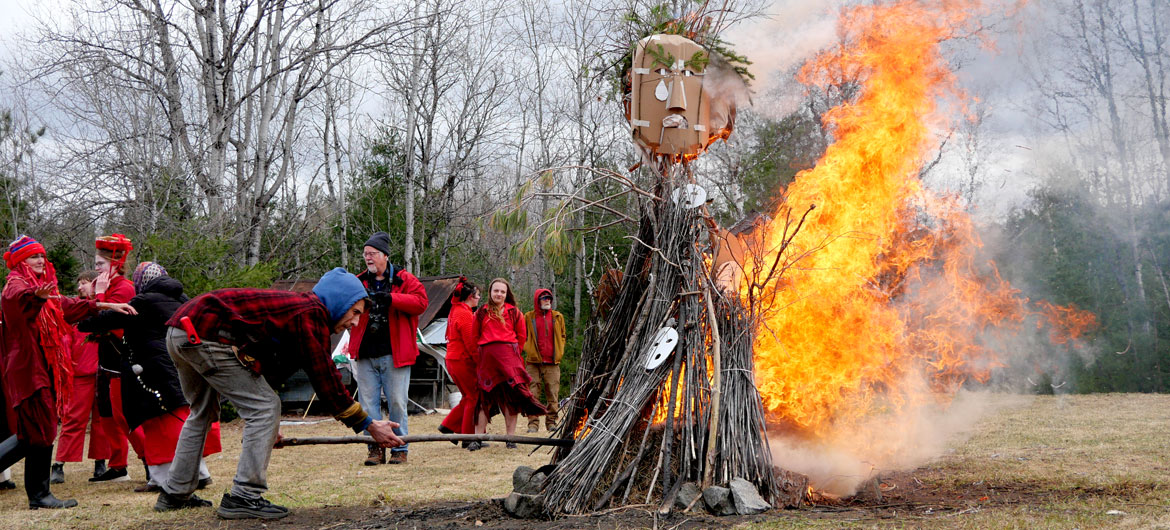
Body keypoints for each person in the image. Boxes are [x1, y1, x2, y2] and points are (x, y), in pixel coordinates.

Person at [155, 267, 403, 520]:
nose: (355, 322)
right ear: (340, 301)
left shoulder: (299, 312)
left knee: (203, 413)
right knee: (264, 408)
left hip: (181, 331)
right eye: (355, 312)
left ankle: (174, 493)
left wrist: (268, 427)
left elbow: (267, 372)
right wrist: (369, 425)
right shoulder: (311, 314)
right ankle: (244, 497)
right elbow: (326, 380)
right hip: (206, 333)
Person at [0, 235, 136, 509]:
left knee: (36, 433)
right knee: (39, 431)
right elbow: (15, 300)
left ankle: (39, 496)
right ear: (19, 261)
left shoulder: (38, 286)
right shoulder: (18, 283)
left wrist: (106, 304)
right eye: (33, 256)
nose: (40, 260)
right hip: (27, 368)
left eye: (41, 255)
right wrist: (33, 297)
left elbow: (65, 305)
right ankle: (39, 496)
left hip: (40, 366)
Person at [77, 262, 222, 493]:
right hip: (178, 365)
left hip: (150, 368)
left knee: (160, 424)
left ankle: (167, 478)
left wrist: (96, 298)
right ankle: (196, 472)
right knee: (177, 419)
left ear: (141, 281)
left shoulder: (143, 302)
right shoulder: (182, 299)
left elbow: (101, 321)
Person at [346, 232, 428, 466]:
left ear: (384, 256)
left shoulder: (405, 279)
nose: (368, 259)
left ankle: (399, 448)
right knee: (368, 405)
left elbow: (421, 303)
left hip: (396, 353)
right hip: (365, 353)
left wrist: (391, 298)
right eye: (365, 255)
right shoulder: (359, 280)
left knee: (397, 403)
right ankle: (374, 449)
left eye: (372, 254)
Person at [50, 270, 112, 485]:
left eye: (84, 283)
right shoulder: (74, 309)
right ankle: (59, 464)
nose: (80, 288)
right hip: (79, 373)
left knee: (102, 420)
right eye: (79, 284)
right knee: (72, 419)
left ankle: (100, 462)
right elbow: (62, 338)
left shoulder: (107, 307)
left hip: (103, 372)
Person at [470, 278, 545, 450]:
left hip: (509, 362)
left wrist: (510, 355)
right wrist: (482, 356)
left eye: (502, 291)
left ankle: (510, 438)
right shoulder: (481, 312)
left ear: (506, 294)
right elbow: (474, 337)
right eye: (496, 291)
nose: (499, 294)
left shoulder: (514, 312)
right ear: (490, 292)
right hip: (487, 362)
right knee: (483, 400)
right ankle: (477, 438)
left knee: (509, 401)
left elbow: (521, 337)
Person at [89, 233, 137, 482]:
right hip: (106, 356)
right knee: (106, 412)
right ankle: (118, 465)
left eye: (100, 264)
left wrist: (97, 296)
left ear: (116, 264)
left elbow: (100, 321)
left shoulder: (123, 288)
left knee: (122, 413)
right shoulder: (107, 287)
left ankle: (153, 460)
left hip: (121, 356)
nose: (96, 268)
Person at [438, 278, 480, 445]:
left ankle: (449, 426)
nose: (479, 299)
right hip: (462, 360)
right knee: (473, 396)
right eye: (477, 295)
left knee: (467, 396)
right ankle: (468, 438)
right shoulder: (465, 313)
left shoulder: (455, 309)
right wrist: (479, 363)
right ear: (470, 296)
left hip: (453, 359)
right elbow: (470, 343)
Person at [522, 288, 566, 433]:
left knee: (553, 393)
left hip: (552, 363)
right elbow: (522, 336)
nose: (547, 300)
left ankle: (551, 422)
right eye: (544, 298)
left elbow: (563, 336)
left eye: (549, 298)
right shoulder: (528, 317)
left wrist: (559, 352)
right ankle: (533, 424)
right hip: (533, 363)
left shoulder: (558, 317)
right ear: (537, 300)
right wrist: (528, 349)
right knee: (532, 393)